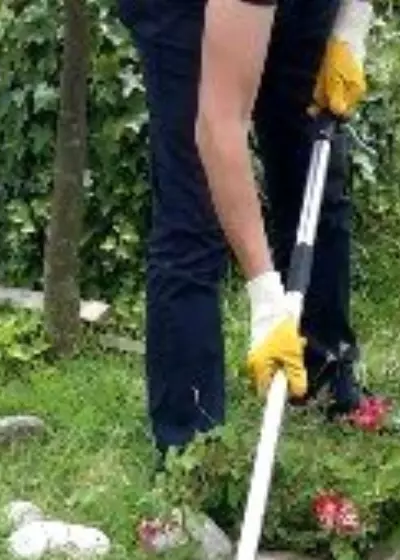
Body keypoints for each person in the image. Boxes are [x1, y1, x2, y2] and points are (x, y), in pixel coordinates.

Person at [117, 0, 373, 455]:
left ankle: (324, 372)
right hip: (182, 14)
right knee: (192, 205)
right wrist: (266, 299)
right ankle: (191, 451)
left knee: (310, 146)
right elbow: (218, 125)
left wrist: (351, 22)